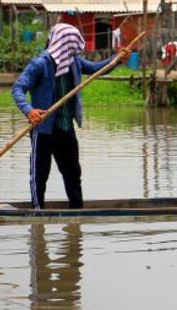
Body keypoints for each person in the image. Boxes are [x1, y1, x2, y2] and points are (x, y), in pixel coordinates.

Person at [12, 23, 113, 210]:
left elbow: (95, 69)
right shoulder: (40, 64)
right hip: (43, 129)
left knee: (73, 172)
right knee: (39, 174)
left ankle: (76, 212)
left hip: (66, 127)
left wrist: (117, 59)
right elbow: (18, 88)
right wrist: (29, 110)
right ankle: (37, 212)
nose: (75, 50)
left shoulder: (73, 62)